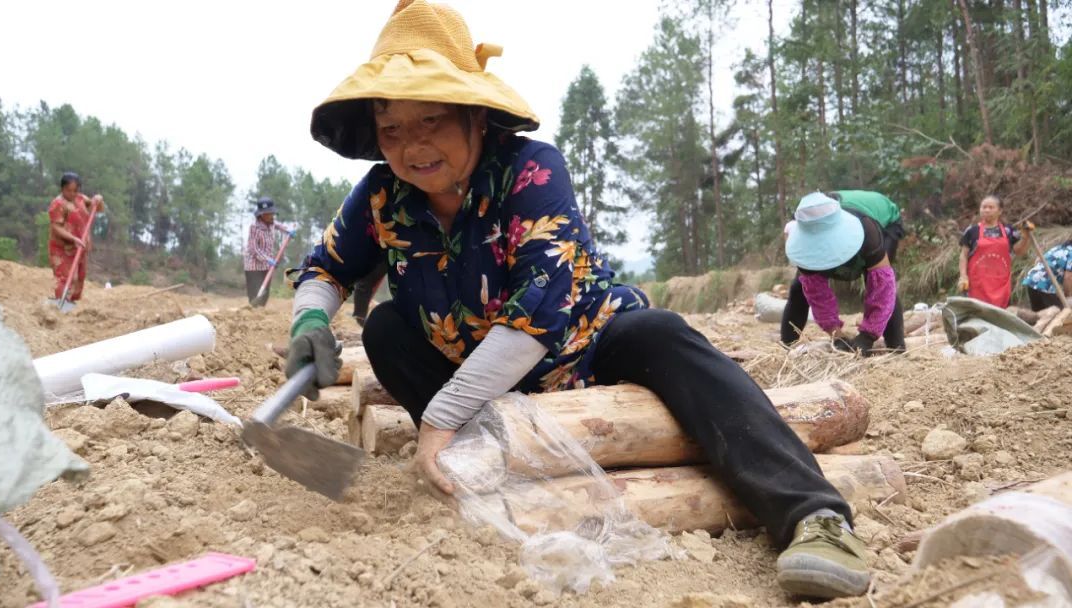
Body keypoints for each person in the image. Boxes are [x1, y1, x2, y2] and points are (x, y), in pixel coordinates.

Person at [284, 0, 871, 598]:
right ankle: (486, 471)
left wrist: (439, 418)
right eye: (393, 129)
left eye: (431, 120)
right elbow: (327, 266)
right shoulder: (385, 194)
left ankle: (813, 517)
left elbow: (534, 318)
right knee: (385, 329)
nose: (412, 146)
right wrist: (309, 319)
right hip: (482, 381)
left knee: (661, 333)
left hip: (584, 349)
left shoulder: (529, 171)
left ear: (476, 116)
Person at [781, 191, 906, 356]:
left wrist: (867, 337)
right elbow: (816, 294)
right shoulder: (806, 234)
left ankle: (896, 348)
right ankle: (787, 346)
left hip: (885, 221)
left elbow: (883, 288)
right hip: (834, 217)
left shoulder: (868, 232)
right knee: (799, 287)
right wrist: (836, 336)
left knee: (877, 282)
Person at [957, 195, 1029, 308]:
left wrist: (1026, 236)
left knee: (1000, 317)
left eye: (991, 207)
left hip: (1001, 284)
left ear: (1000, 211)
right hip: (977, 284)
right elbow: (963, 255)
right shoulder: (972, 231)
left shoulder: (1008, 231)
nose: (986, 210)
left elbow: (1019, 252)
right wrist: (963, 276)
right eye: (984, 207)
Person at [48, 172, 103, 307]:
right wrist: (73, 239)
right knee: (67, 278)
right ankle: (60, 305)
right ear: (62, 188)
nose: (72, 194)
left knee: (79, 279)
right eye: (69, 190)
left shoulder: (81, 199)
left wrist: (98, 200)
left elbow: (98, 209)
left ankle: (70, 305)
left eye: (75, 190)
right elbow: (56, 227)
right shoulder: (58, 204)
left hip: (79, 248)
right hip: (62, 248)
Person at [243, 197, 292, 307]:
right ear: (262, 215)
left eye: (271, 213)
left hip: (266, 266)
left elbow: (280, 226)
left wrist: (288, 230)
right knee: (255, 294)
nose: (271, 216)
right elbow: (253, 249)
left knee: (265, 295)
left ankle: (260, 313)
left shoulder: (272, 223)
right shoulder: (254, 227)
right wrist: (268, 259)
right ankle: (252, 312)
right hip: (253, 267)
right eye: (268, 214)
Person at [1021, 239, 1072, 311]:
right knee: (1058, 314)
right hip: (1044, 285)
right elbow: (1068, 277)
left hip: (1032, 280)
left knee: (1039, 315)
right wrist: (1068, 295)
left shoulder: (1058, 248)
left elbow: (1038, 261)